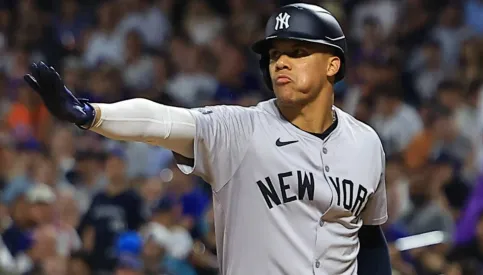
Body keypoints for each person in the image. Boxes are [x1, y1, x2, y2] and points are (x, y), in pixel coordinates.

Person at [23, 3, 390, 275]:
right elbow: (161, 120)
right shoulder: (241, 129)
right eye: (275, 54)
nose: (281, 62)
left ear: (333, 64)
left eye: (297, 52)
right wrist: (91, 114)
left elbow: (369, 237)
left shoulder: (367, 143)